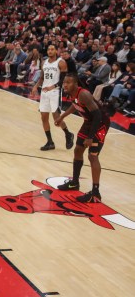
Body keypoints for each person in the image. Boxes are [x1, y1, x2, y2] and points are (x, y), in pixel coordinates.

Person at [54, 73, 111, 203]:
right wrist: (62, 117)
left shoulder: (84, 94)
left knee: (92, 156)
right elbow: (75, 105)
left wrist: (90, 137)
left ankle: (95, 193)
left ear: (75, 84)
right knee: (78, 150)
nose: (65, 85)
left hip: (100, 123)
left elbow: (97, 116)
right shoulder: (73, 94)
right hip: (88, 121)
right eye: (64, 82)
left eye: (68, 82)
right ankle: (74, 182)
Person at [32, 45, 74, 151]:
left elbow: (64, 79)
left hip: (55, 92)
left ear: (56, 51)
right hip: (44, 92)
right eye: (48, 49)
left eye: (52, 49)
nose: (50, 51)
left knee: (56, 118)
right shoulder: (44, 62)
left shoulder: (61, 62)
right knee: (44, 117)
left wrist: (53, 86)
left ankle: (68, 134)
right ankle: (50, 142)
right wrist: (36, 86)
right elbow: (42, 77)